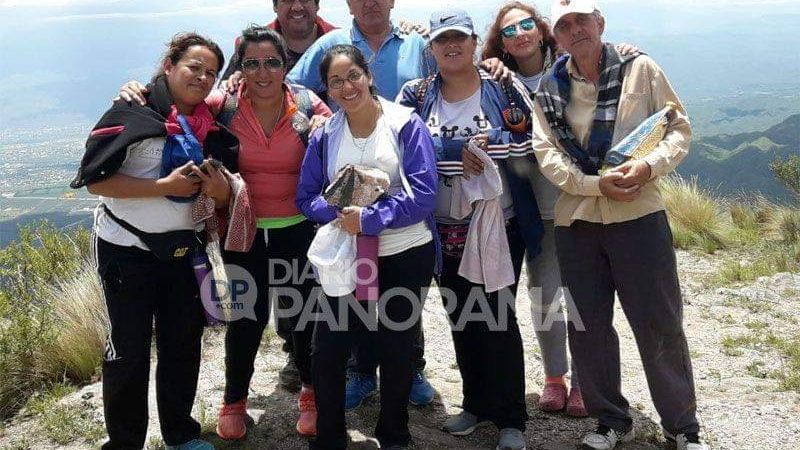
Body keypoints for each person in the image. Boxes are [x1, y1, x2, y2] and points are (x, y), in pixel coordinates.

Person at [117, 25, 334, 440]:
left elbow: (344, 128)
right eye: (251, 63)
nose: (263, 71)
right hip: (244, 232)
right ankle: (234, 402)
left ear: (285, 65)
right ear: (241, 68)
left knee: (304, 316)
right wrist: (139, 91)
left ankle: (310, 395)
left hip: (298, 230)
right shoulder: (223, 106)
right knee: (245, 319)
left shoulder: (309, 106)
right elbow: (176, 106)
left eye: (272, 62)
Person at [531, 1, 707, 449]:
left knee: (659, 322)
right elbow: (546, 152)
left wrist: (648, 168)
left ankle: (682, 427)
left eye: (581, 21)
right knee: (588, 327)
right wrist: (593, 185)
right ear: (558, 37)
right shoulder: (550, 89)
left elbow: (677, 128)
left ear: (599, 24)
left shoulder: (640, 68)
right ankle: (609, 420)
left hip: (639, 215)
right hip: (578, 220)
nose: (575, 31)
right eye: (564, 26)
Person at [72, 32, 237, 450]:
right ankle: (125, 443)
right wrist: (162, 185)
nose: (202, 78)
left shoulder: (209, 125)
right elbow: (96, 182)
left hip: (184, 252)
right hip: (126, 251)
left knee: (182, 345)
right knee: (128, 352)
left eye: (211, 73)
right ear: (169, 66)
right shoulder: (132, 111)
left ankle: (180, 435)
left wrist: (217, 190)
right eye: (193, 67)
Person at [481, 1, 639, 418]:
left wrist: (624, 51)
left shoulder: (570, 66)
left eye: (526, 25)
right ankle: (555, 378)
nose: (519, 35)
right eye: (509, 31)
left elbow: (609, 73)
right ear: (501, 42)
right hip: (532, 207)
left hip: (580, 198)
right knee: (545, 295)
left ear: (541, 28)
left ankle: (587, 382)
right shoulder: (494, 81)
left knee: (585, 298)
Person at [396, 8, 543, 450]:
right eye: (443, 40)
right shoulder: (416, 93)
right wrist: (465, 149)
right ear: (432, 48)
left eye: (460, 38)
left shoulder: (501, 84)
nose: (452, 46)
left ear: (476, 42)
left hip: (499, 222)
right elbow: (405, 151)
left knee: (498, 316)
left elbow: (526, 141)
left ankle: (511, 417)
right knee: (461, 317)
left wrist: (474, 148)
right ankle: (476, 405)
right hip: (441, 228)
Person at [295, 44, 438, 450]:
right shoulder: (326, 134)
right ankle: (330, 436)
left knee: (396, 346)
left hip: (404, 250)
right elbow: (306, 198)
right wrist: (340, 211)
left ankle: (394, 433)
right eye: (336, 81)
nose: (346, 86)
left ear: (369, 76)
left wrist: (371, 218)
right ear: (327, 89)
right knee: (328, 348)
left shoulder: (405, 124)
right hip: (350, 254)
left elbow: (424, 195)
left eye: (353, 76)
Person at [221, 0, 337, 80]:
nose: (297, 7)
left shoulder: (341, 42)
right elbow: (224, 96)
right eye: (288, 0)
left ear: (317, 5)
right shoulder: (251, 46)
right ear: (275, 6)